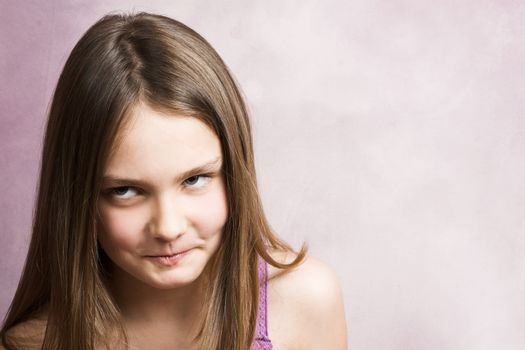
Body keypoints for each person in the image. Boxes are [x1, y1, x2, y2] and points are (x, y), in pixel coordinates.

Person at [0, 11, 347, 350]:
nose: (167, 228)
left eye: (195, 180)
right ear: (77, 199)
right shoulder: (30, 344)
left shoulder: (305, 302)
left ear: (234, 173)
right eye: (125, 191)